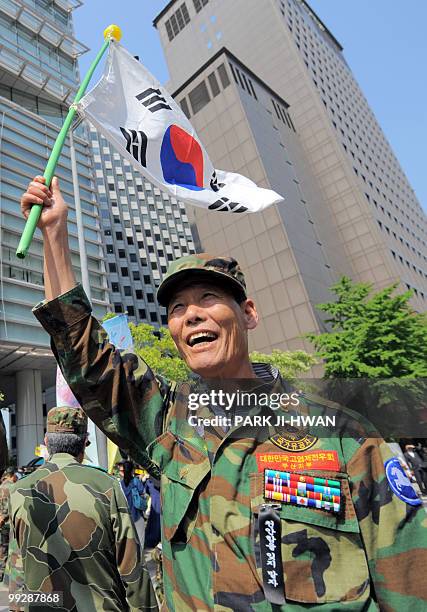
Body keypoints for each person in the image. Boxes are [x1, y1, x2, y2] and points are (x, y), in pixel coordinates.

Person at [21, 175, 427, 610]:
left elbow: (409, 584)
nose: (191, 314)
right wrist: (54, 236)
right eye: (177, 308)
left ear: (247, 313)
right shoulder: (169, 419)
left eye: (208, 297)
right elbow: (89, 358)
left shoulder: (345, 434)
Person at [8, 406, 158, 611]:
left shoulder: (18, 491)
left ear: (46, 442)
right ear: (84, 444)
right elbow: (131, 567)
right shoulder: (107, 486)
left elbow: (17, 570)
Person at [117, 459, 147, 546]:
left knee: (127, 543)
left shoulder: (119, 484)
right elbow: (143, 495)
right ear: (131, 470)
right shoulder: (136, 482)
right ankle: (139, 558)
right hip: (137, 516)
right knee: (140, 541)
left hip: (124, 518)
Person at [0, 467, 17, 582]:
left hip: (2, 523)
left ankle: (1, 573)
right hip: (9, 522)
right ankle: (11, 576)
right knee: (13, 549)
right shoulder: (13, 487)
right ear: (13, 475)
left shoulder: (1, 486)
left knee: (3, 548)